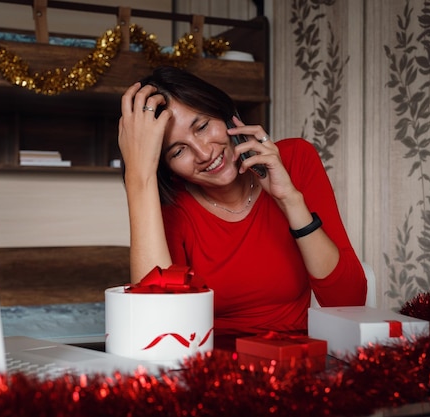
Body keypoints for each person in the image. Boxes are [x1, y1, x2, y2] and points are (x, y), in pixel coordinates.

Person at [118, 66, 366, 335]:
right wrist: (138, 176)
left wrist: (289, 199)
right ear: (165, 166)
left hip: (298, 360)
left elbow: (349, 303)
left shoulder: (295, 160)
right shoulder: (173, 206)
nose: (203, 153)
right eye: (178, 151)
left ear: (226, 115)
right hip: (211, 366)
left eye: (202, 126)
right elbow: (160, 328)